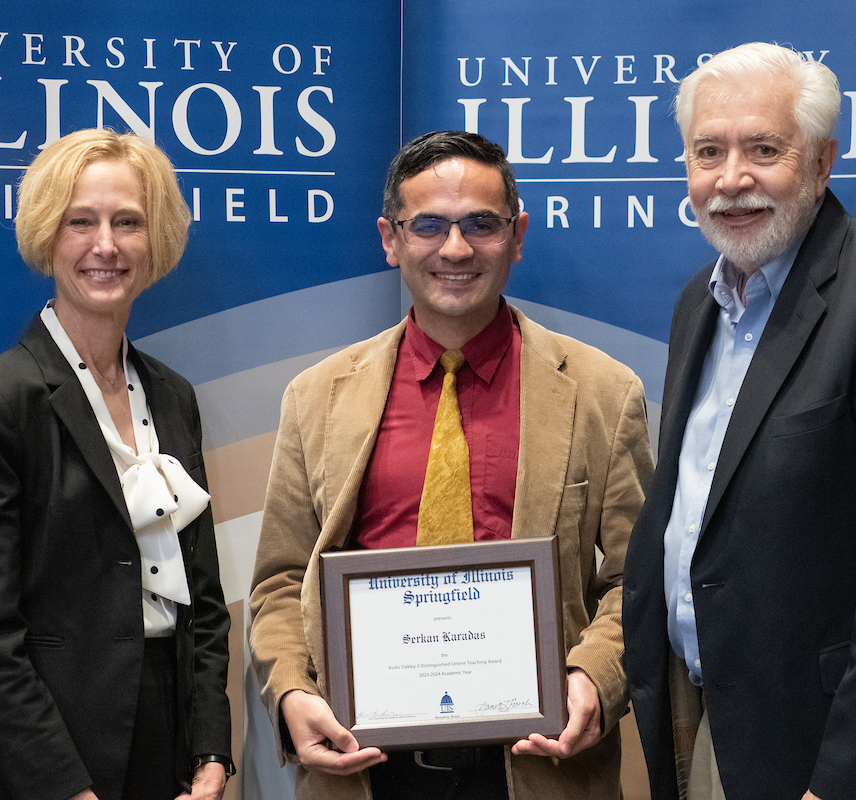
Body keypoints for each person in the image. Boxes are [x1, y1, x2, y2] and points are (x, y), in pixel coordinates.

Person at [622, 42, 856, 800]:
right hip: (706, 716)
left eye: (764, 149)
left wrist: (849, 781)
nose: (732, 179)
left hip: (829, 748)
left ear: (823, 163)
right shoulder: (701, 300)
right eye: (708, 152)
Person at [248, 130, 654, 800]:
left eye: (482, 225)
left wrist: (595, 678)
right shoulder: (317, 397)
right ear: (391, 238)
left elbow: (635, 583)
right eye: (429, 225)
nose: (456, 249)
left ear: (518, 235)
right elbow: (280, 583)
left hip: (538, 769)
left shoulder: (604, 394)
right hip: (364, 772)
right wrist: (291, 690)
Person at [0, 128, 233, 800]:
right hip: (44, 756)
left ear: (154, 239)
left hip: (168, 742)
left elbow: (204, 600)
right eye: (82, 222)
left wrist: (213, 753)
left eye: (128, 222)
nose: (106, 245)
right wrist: (65, 788)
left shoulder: (172, 395)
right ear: (49, 235)